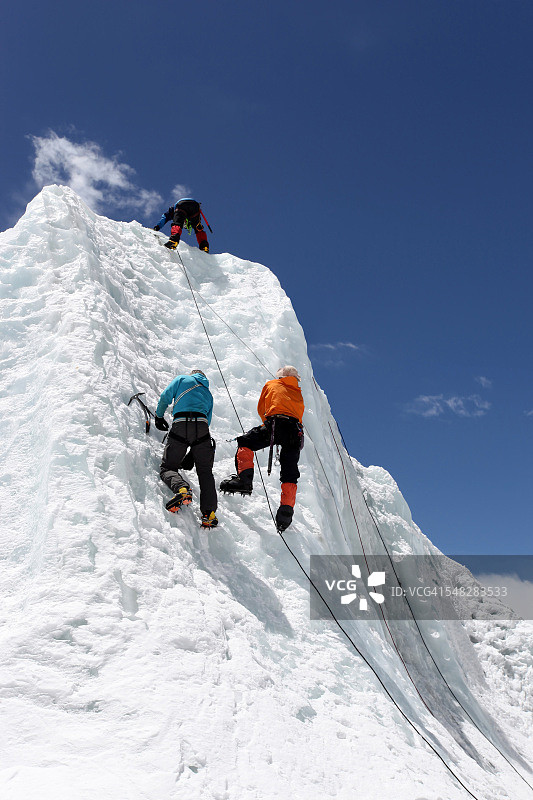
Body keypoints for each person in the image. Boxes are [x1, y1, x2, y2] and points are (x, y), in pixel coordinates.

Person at [220, 366, 304, 532]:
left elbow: (262, 408)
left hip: (276, 424)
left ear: (281, 376)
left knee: (246, 442)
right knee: (290, 472)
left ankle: (244, 481)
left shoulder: (272, 384)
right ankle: (286, 513)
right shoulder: (298, 392)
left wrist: (268, 424)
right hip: (295, 431)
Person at [155, 369, 218, 528]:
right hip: (202, 431)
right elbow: (207, 420)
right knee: (205, 472)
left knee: (168, 467)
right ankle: (209, 514)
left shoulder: (183, 379)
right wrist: (194, 449)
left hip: (181, 425)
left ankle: (182, 489)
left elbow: (165, 397)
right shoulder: (208, 394)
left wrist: (159, 416)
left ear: (193, 375)